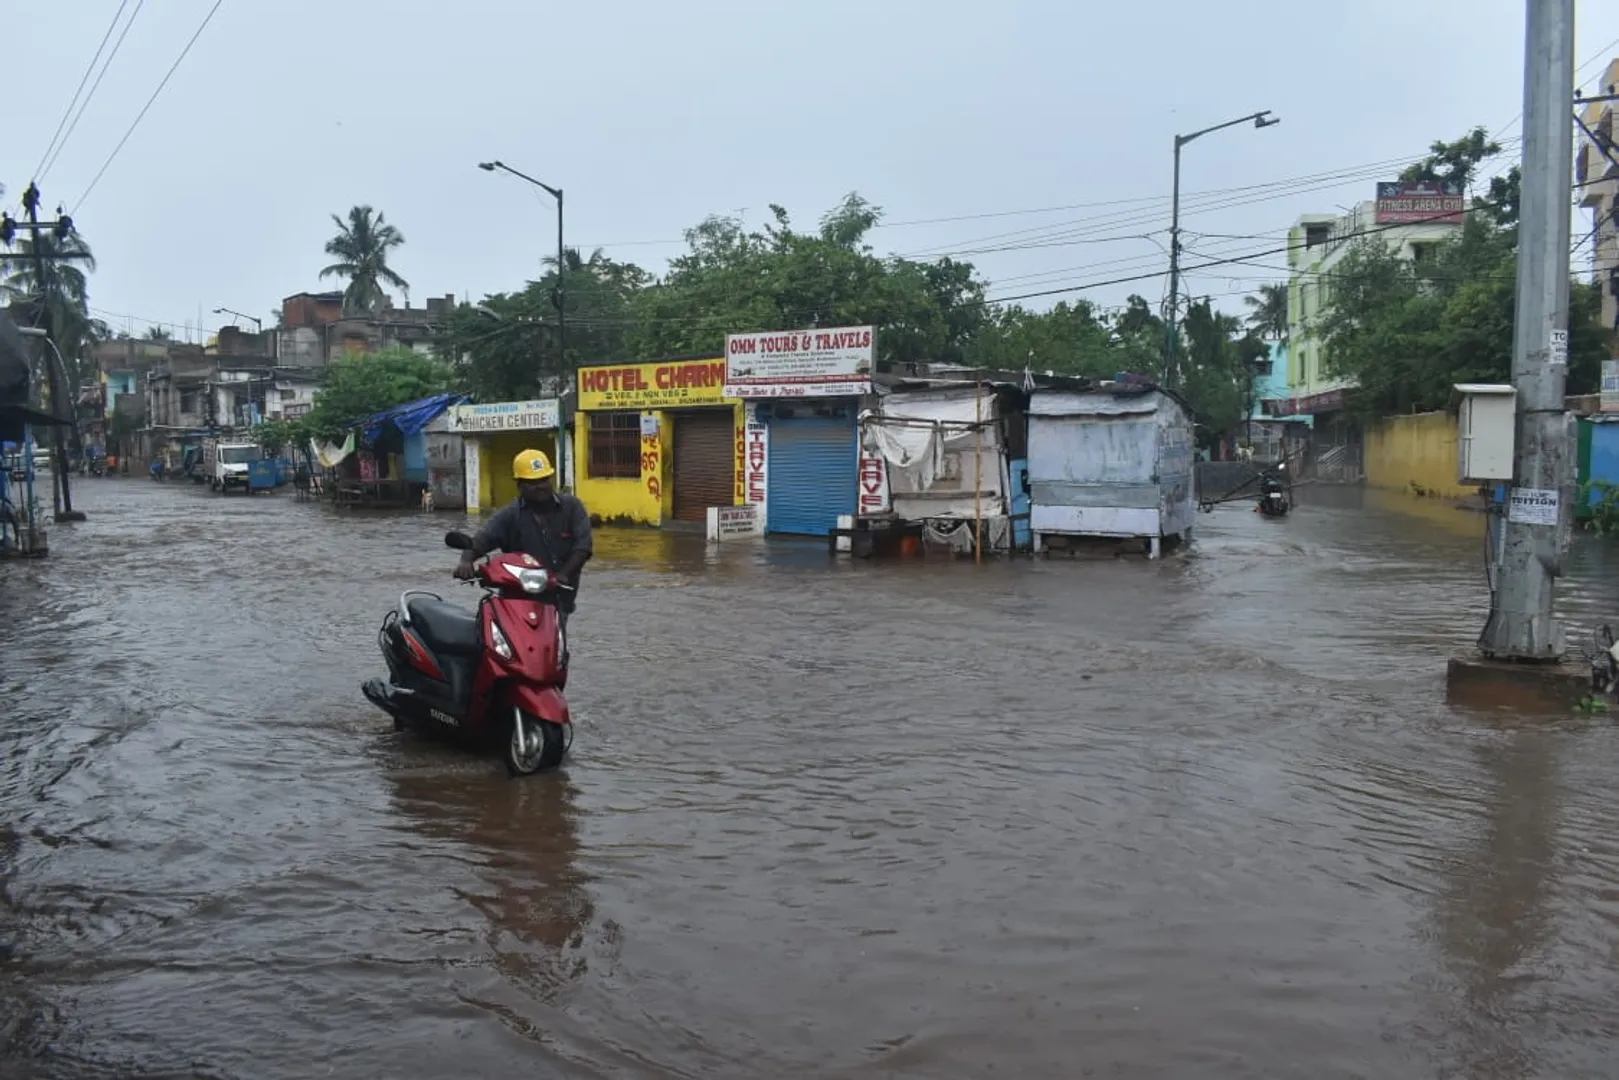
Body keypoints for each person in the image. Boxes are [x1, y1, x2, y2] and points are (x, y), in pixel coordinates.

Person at [453, 449, 592, 629]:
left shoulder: (572, 507)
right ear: (519, 485)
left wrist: (563, 574)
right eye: (532, 482)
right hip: (517, 603)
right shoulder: (509, 515)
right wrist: (466, 560)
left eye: (544, 480)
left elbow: (583, 547)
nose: (540, 486)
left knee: (555, 652)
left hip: (559, 600)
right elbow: (482, 539)